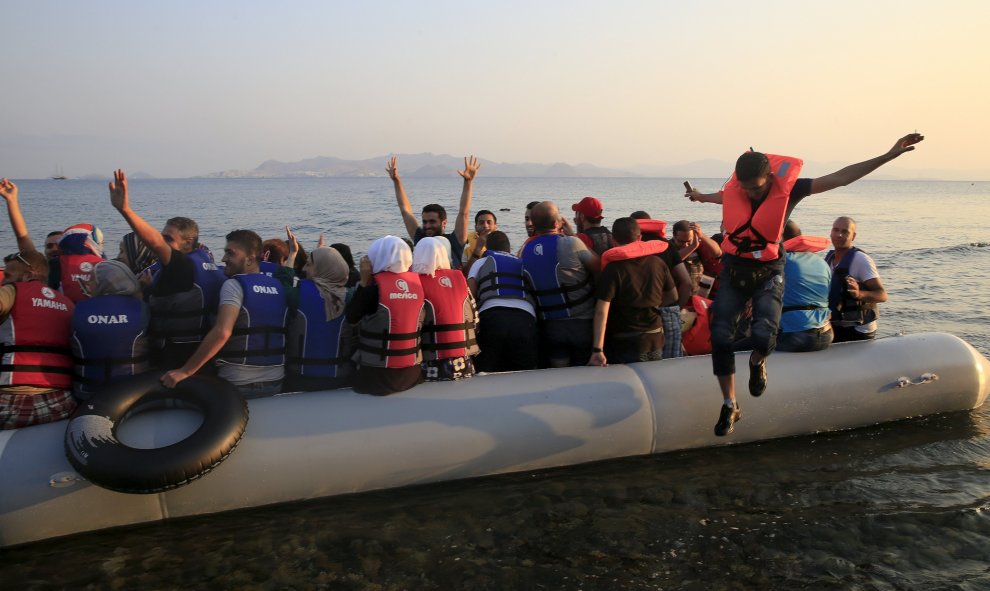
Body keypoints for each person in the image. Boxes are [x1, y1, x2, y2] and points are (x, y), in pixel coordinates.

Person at [685, 132, 924, 436]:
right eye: (744, 188)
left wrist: (887, 155)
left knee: (763, 336)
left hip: (769, 270)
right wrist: (700, 197)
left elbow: (841, 177)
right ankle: (730, 404)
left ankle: (758, 362)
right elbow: (721, 198)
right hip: (735, 268)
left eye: (756, 188)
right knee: (720, 338)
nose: (750, 194)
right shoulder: (739, 191)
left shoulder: (792, 190)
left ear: (769, 178)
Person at [109, 169, 225, 370]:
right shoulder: (209, 264)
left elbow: (154, 242)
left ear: (188, 243)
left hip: (173, 358)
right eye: (163, 237)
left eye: (168, 239)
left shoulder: (182, 267)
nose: (162, 242)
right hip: (199, 357)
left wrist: (125, 210)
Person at [162, 230, 288, 397]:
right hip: (275, 382)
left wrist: (185, 371)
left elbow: (222, 332)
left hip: (238, 381)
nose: (223, 259)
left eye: (230, 253)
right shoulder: (278, 286)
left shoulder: (234, 285)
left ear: (250, 258)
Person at [0, 249, 76, 430]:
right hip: (61, 404)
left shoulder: (12, 291)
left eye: (8, 275)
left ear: (28, 275)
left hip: (11, 404)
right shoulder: (67, 303)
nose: (4, 280)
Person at [734, 220, 832, 353]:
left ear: (779, 239)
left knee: (733, 349)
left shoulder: (781, 262)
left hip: (799, 338)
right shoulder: (822, 262)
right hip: (827, 334)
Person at [589, 218, 676, 366]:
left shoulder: (613, 269)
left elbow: (601, 311)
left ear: (613, 240)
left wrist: (597, 349)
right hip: (655, 335)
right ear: (640, 238)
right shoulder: (658, 263)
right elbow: (673, 296)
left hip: (626, 341)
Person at [521, 201, 598, 367]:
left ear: (533, 224)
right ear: (557, 223)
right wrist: (575, 235)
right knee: (583, 373)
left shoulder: (524, 251)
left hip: (550, 328)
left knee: (559, 372)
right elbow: (598, 267)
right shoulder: (570, 243)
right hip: (582, 324)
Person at [346, 235, 425, 395]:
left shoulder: (373, 290)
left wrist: (363, 281)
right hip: (412, 374)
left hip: (377, 377)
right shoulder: (418, 286)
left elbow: (351, 318)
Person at [280, 229, 355, 392]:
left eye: (309, 264)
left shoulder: (297, 294)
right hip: (339, 378)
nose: (305, 269)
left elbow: (281, 284)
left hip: (300, 378)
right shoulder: (350, 297)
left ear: (321, 268)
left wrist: (292, 255)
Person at [71, 260, 150, 400]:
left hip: (87, 393)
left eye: (92, 279)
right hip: (133, 392)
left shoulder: (77, 309)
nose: (88, 284)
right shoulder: (142, 308)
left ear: (104, 282)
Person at [387, 155, 480, 269]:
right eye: (425, 222)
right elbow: (405, 211)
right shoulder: (420, 239)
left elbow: (463, 213)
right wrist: (397, 181)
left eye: (432, 221)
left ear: (444, 223)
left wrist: (468, 182)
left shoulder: (454, 241)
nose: (427, 226)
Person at [467, 230, 538, 372]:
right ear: (509, 249)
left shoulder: (482, 262)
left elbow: (469, 295)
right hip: (524, 319)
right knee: (524, 371)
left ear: (487, 248)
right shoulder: (522, 263)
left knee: (486, 369)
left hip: (492, 317)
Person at [413, 237, 479, 381]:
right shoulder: (460, 279)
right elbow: (475, 319)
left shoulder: (417, 283)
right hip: (464, 364)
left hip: (432, 366)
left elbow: (412, 328)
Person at [630, 211, 693, 358]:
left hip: (640, 314)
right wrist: (677, 308)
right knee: (672, 360)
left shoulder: (630, 247)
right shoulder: (665, 245)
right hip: (668, 308)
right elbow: (686, 282)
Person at [825, 216, 888, 342]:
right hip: (837, 324)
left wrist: (859, 293)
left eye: (845, 232)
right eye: (836, 230)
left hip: (859, 330)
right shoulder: (829, 259)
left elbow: (882, 295)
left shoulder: (861, 260)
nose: (839, 235)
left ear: (853, 236)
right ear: (831, 232)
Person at [671, 220, 722, 298]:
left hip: (697, 296)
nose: (685, 245)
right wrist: (692, 246)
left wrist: (701, 235)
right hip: (676, 296)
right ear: (674, 236)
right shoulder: (667, 247)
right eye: (681, 241)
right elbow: (673, 259)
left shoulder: (698, 245)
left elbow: (717, 253)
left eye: (688, 241)